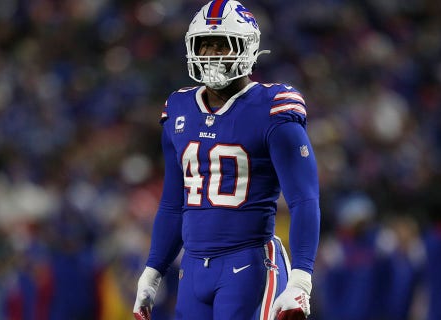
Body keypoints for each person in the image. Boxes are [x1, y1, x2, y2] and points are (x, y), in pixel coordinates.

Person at [132, 1, 321, 319]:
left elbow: (304, 199)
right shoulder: (178, 108)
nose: (212, 55)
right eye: (204, 45)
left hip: (248, 264)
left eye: (223, 45)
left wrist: (301, 281)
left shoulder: (272, 107)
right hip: (191, 269)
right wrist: (152, 272)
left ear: (247, 49)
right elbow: (172, 203)